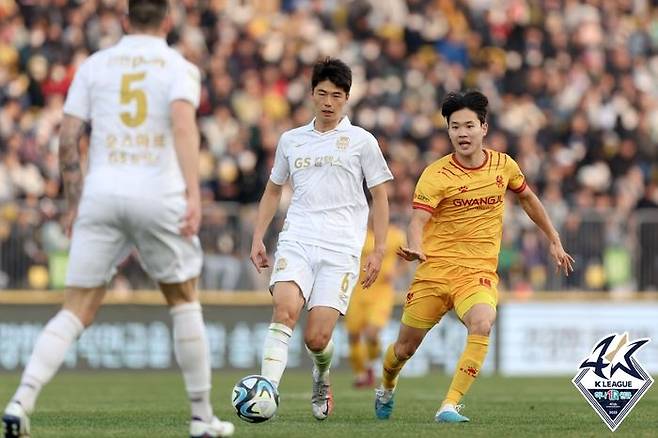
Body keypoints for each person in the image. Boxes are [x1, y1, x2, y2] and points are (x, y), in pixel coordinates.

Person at [1, 2, 234, 437]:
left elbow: (69, 137)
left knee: (76, 308)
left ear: (126, 21)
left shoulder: (95, 64)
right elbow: (184, 126)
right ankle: (202, 418)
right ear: (167, 21)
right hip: (157, 194)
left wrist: (74, 203)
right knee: (184, 299)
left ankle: (20, 400)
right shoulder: (178, 66)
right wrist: (192, 194)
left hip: (102, 194)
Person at [374, 90, 575, 424]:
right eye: (455, 127)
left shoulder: (503, 165)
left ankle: (449, 405)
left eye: (468, 125)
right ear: (448, 131)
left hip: (476, 273)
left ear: (484, 127)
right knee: (404, 349)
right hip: (434, 270)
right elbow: (417, 220)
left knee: (483, 322)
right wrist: (415, 246)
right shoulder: (436, 174)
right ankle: (387, 384)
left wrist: (553, 238)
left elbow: (528, 199)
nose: (462, 133)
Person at [250, 57, 393, 421]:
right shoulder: (291, 140)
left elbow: (379, 196)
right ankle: (266, 390)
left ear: (346, 99)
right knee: (284, 310)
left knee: (317, 338)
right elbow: (272, 190)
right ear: (312, 94)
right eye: (322, 93)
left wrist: (377, 250)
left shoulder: (362, 142)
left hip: (342, 247)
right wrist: (257, 237)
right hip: (297, 237)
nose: (328, 102)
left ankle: (321, 374)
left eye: (336, 95)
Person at [345, 219, 406, 388]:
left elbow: (405, 259)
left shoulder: (395, 236)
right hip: (358, 291)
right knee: (354, 335)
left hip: (382, 292)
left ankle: (371, 366)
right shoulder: (358, 233)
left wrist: (396, 272)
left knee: (372, 333)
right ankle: (361, 373)